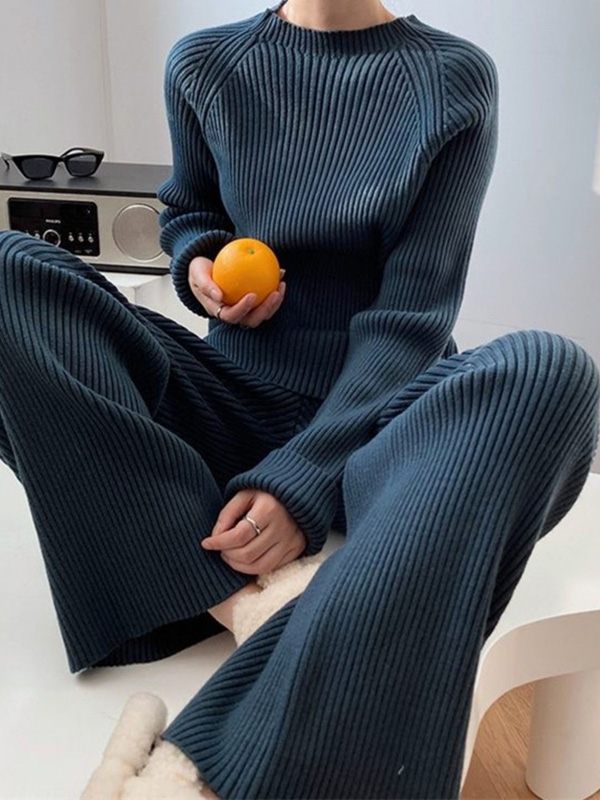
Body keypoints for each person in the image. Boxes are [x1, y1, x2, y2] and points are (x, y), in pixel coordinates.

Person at [0, 0, 597, 797]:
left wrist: (306, 477)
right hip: (232, 399)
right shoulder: (205, 64)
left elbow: (413, 316)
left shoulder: (453, 80)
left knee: (551, 369)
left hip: (381, 422)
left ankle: (230, 761)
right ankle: (232, 596)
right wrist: (201, 262)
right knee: (9, 269)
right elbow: (193, 211)